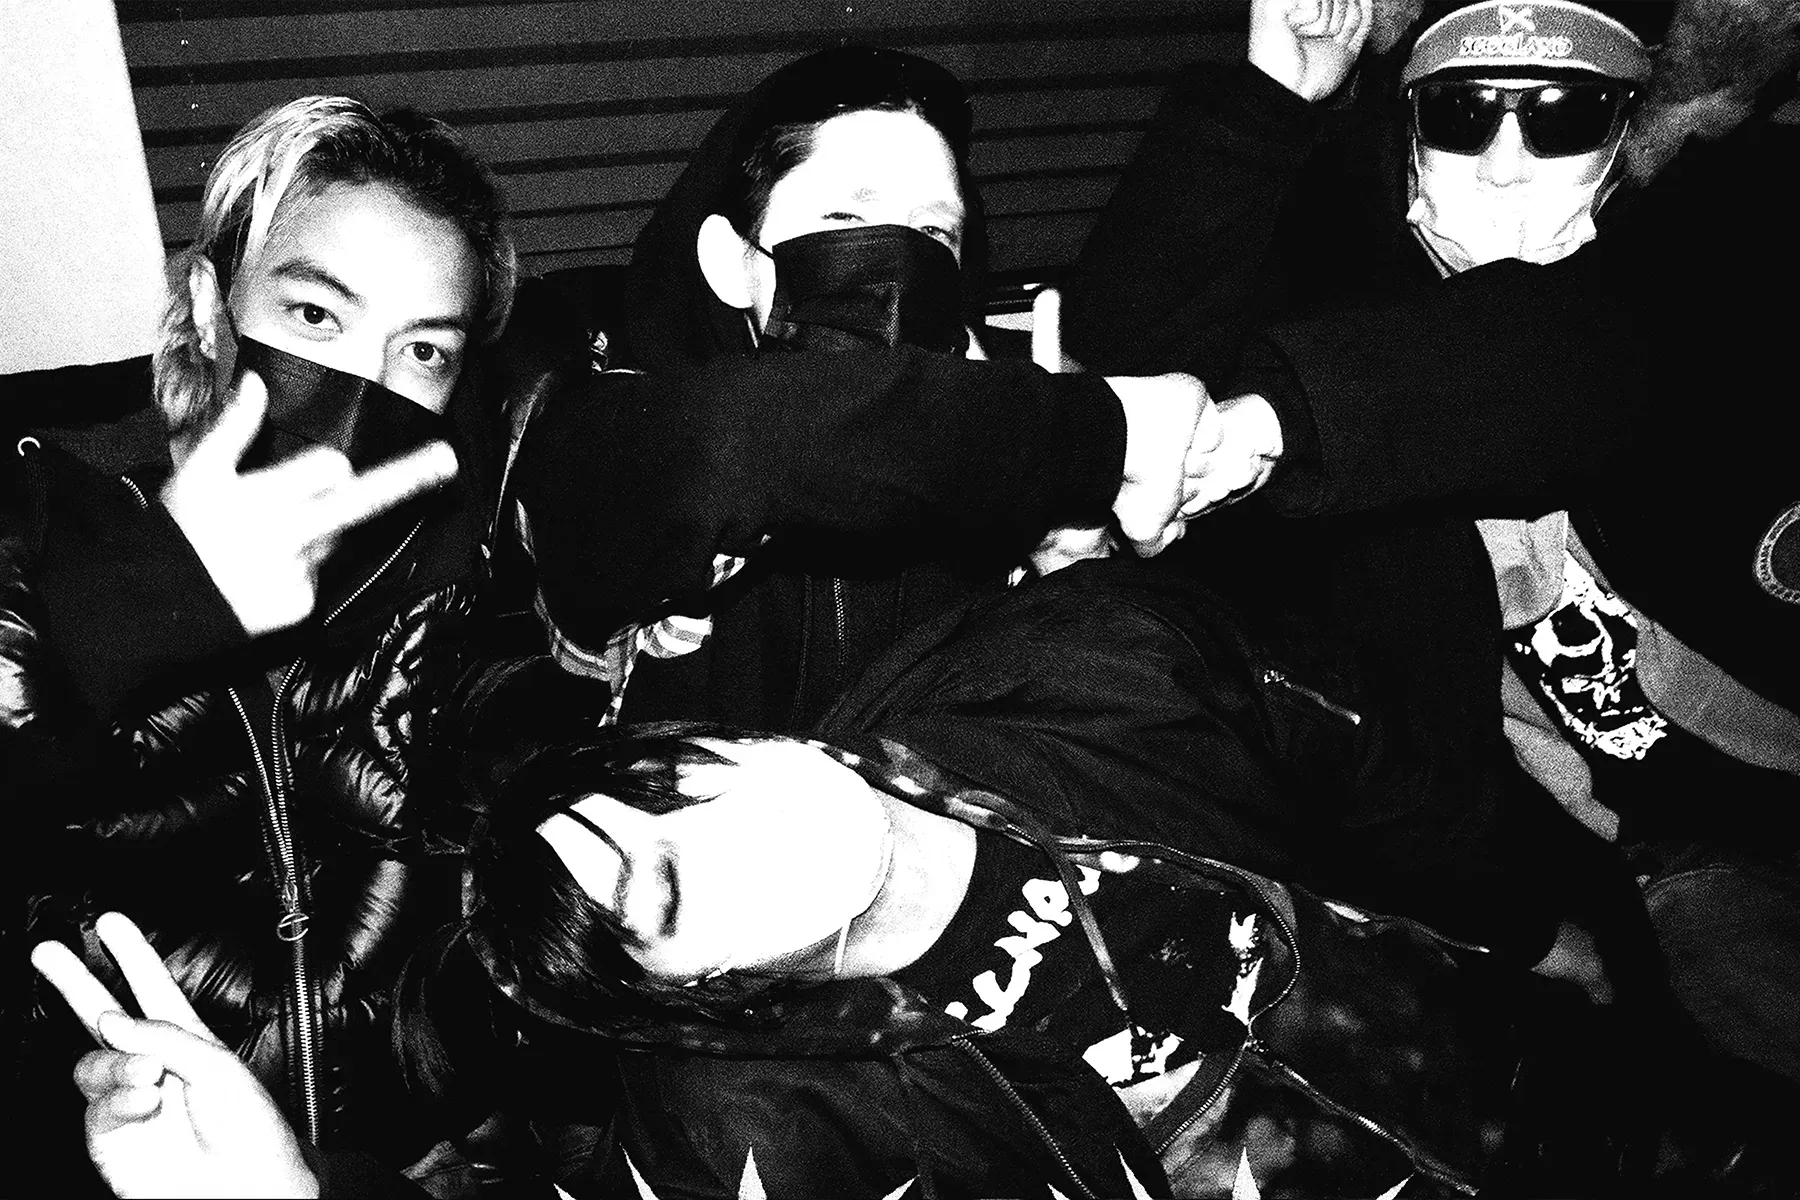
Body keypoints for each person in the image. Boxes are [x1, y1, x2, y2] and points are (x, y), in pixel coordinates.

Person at [37, 558, 1796, 1197]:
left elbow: (1383, 772)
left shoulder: (1085, 662)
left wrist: (1548, 931)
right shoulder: (749, 1130)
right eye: (665, 896)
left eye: (672, 786)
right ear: (701, 999)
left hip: (1602, 1096)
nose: (716, 831)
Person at [1061, 0, 1800, 1085]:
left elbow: (1584, 349)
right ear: (1408, 140)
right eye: (1462, 114)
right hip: (1647, 863)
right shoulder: (1351, 307)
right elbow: (1137, 361)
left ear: (1632, 132)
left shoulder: (1732, 248)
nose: (1503, 163)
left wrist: (1279, 424)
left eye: (1560, 116)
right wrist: (1269, 98)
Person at [2, 94, 518, 1186]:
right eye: (317, 317)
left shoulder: (454, 551)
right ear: (209, 302)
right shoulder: (40, 523)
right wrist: (146, 602)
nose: (367, 390)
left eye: (423, 349)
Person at [510, 45, 1216, 732]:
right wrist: (1096, 436)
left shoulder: (1003, 433)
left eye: (934, 233)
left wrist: (1070, 558)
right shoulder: (611, 426)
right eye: (846, 220)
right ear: (732, 263)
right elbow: (742, 446)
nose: (901, 265)